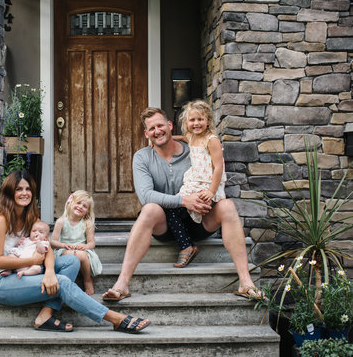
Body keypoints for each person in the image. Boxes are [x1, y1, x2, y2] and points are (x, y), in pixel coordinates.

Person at [102, 106, 262, 302]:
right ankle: (122, 284)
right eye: (151, 129)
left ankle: (246, 282)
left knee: (227, 205)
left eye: (160, 125)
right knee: (149, 208)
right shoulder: (142, 157)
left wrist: (207, 197)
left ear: (170, 126)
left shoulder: (195, 150)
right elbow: (145, 196)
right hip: (165, 225)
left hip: (198, 220)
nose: (157, 131)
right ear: (146, 134)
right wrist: (184, 201)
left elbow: (213, 173)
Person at [0, 170, 150, 333]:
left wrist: (50, 272)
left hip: (27, 271)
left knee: (72, 261)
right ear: (10, 192)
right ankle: (115, 319)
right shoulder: (0, 220)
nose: (24, 193)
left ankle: (45, 314)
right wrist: (33, 261)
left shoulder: (30, 217)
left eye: (28, 189)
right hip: (1, 282)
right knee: (61, 282)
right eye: (19, 189)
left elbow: (46, 249)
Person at [166, 100, 227, 268]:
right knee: (172, 208)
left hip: (207, 183)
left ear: (208, 120)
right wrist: (169, 139)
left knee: (177, 210)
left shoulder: (211, 140)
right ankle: (187, 246)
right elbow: (183, 138)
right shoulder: (191, 137)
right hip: (194, 181)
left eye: (200, 119)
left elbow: (219, 167)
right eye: (192, 120)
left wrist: (211, 190)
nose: (196, 123)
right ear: (187, 123)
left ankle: (186, 246)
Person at [50, 190, 102, 295]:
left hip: (82, 251)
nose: (80, 207)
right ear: (70, 202)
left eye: (84, 206)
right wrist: (63, 245)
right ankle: (69, 283)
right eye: (78, 203)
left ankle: (87, 280)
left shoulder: (87, 223)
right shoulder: (61, 221)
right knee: (70, 255)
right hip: (65, 249)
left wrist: (85, 246)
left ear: (87, 211)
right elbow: (53, 242)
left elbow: (92, 243)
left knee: (81, 255)